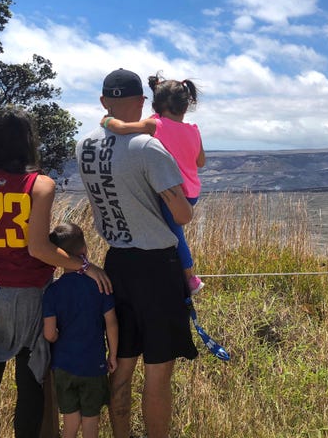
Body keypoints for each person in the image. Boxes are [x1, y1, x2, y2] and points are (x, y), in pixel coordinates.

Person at [0, 107, 111, 438]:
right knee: (28, 386)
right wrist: (85, 266)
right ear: (27, 140)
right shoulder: (39, 185)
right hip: (26, 296)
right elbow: (38, 249)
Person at [77, 68, 198, 438]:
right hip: (157, 267)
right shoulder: (147, 147)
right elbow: (182, 214)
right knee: (158, 372)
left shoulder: (83, 146)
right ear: (142, 103)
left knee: (120, 366)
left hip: (117, 263)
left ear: (103, 102)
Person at [100, 72, 206, 295]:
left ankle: (189, 278)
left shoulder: (155, 125)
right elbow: (200, 161)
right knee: (174, 231)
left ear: (155, 105)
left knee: (175, 236)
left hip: (173, 192)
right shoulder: (194, 130)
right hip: (192, 192)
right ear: (186, 107)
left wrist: (107, 120)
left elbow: (122, 128)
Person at [42, 223, 118, 438]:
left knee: (70, 422)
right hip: (93, 365)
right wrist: (112, 354)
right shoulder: (100, 284)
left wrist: (56, 336)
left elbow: (49, 333)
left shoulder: (53, 291)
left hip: (64, 366)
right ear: (84, 250)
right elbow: (111, 322)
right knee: (91, 423)